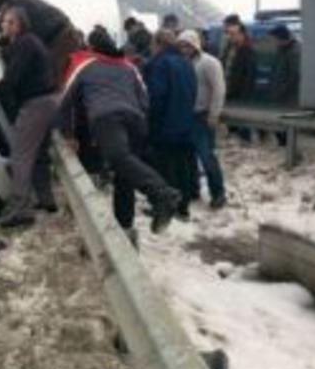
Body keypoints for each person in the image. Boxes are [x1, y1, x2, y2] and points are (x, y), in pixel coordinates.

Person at [59, 27, 182, 235]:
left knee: (117, 157)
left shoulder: (83, 63)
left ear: (91, 47)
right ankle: (125, 225)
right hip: (136, 120)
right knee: (125, 172)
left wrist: (69, 134)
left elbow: (64, 101)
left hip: (105, 117)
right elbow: (144, 98)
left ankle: (162, 194)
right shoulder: (128, 66)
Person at [0, 6, 61, 228]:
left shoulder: (24, 44)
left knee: (20, 155)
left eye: (9, 22)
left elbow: (11, 82)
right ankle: (46, 200)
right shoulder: (31, 42)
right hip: (49, 101)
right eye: (3, 22)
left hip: (36, 105)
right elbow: (18, 78)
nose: (4, 26)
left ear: (19, 25)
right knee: (38, 155)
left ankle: (21, 210)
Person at [144, 29, 198, 219]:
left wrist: (150, 124)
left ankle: (164, 207)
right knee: (182, 167)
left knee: (164, 168)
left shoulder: (159, 64)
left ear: (158, 44)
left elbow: (156, 97)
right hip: (186, 124)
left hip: (165, 126)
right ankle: (183, 208)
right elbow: (193, 93)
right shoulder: (186, 62)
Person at [0, 0, 82, 83]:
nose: (1, 14)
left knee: (50, 78)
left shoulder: (14, 4)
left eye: (1, 11)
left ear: (3, 4)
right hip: (62, 36)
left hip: (62, 38)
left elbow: (7, 25)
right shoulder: (19, 0)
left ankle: (53, 103)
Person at [177, 30, 228, 209]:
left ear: (195, 45)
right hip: (186, 115)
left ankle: (218, 192)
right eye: (181, 45)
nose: (184, 49)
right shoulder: (182, 63)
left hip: (203, 116)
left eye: (187, 45)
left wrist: (214, 114)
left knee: (207, 156)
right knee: (188, 155)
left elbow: (219, 90)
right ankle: (193, 188)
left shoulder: (209, 62)